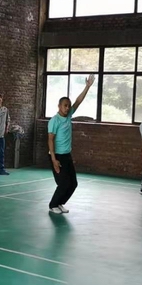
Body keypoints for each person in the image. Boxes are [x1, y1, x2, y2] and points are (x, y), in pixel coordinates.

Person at [47, 75, 95, 214]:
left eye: (68, 106)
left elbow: (78, 101)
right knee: (63, 183)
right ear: (59, 106)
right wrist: (54, 159)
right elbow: (50, 140)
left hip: (67, 155)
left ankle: (60, 203)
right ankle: (53, 205)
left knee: (73, 184)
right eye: (65, 106)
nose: (67, 108)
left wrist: (87, 86)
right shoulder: (54, 121)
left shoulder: (68, 116)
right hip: (57, 156)